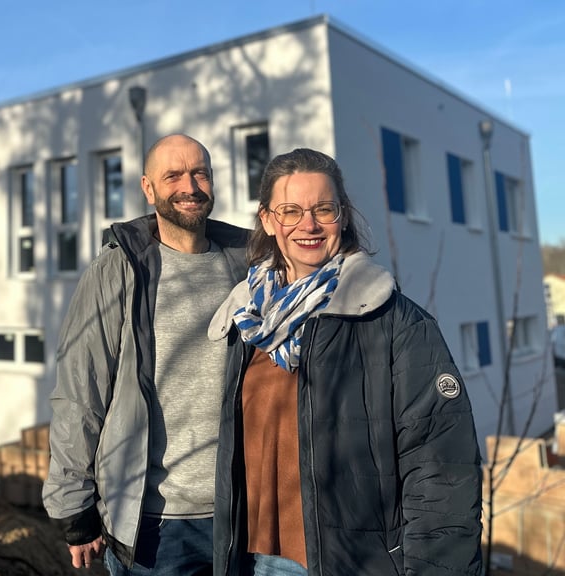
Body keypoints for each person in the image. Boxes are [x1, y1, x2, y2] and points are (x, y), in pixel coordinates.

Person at [207, 148, 483, 575]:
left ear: (344, 216)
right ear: (267, 220)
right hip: (249, 558)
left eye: (324, 209)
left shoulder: (394, 321)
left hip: (351, 565)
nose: (309, 225)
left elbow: (441, 472)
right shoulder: (246, 321)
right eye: (291, 211)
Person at [43, 133, 250, 575]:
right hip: (153, 526)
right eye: (173, 175)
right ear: (148, 188)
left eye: (200, 173)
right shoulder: (119, 268)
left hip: (241, 515)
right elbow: (82, 389)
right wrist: (73, 507)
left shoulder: (248, 265)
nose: (189, 187)